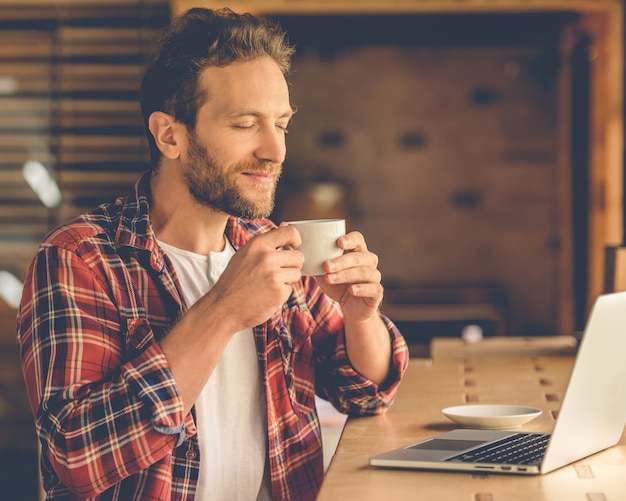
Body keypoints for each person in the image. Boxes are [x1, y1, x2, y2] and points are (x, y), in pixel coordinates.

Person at [17, 7, 409, 501]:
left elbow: (368, 392)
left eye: (281, 124)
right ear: (169, 135)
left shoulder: (271, 244)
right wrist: (223, 309)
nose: (275, 150)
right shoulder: (79, 259)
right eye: (246, 124)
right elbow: (76, 455)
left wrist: (360, 316)